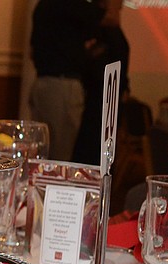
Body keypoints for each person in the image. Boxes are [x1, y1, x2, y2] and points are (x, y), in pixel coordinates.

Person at [29, 0, 106, 161]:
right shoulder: (71, 5)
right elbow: (107, 17)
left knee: (41, 153)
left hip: (42, 83)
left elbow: (32, 51)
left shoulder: (44, 5)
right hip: (62, 87)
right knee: (60, 157)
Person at [71, 0, 131, 166]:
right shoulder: (97, 27)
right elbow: (95, 65)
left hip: (111, 99)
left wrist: (125, 86)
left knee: (106, 150)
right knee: (93, 149)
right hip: (98, 100)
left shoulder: (113, 29)